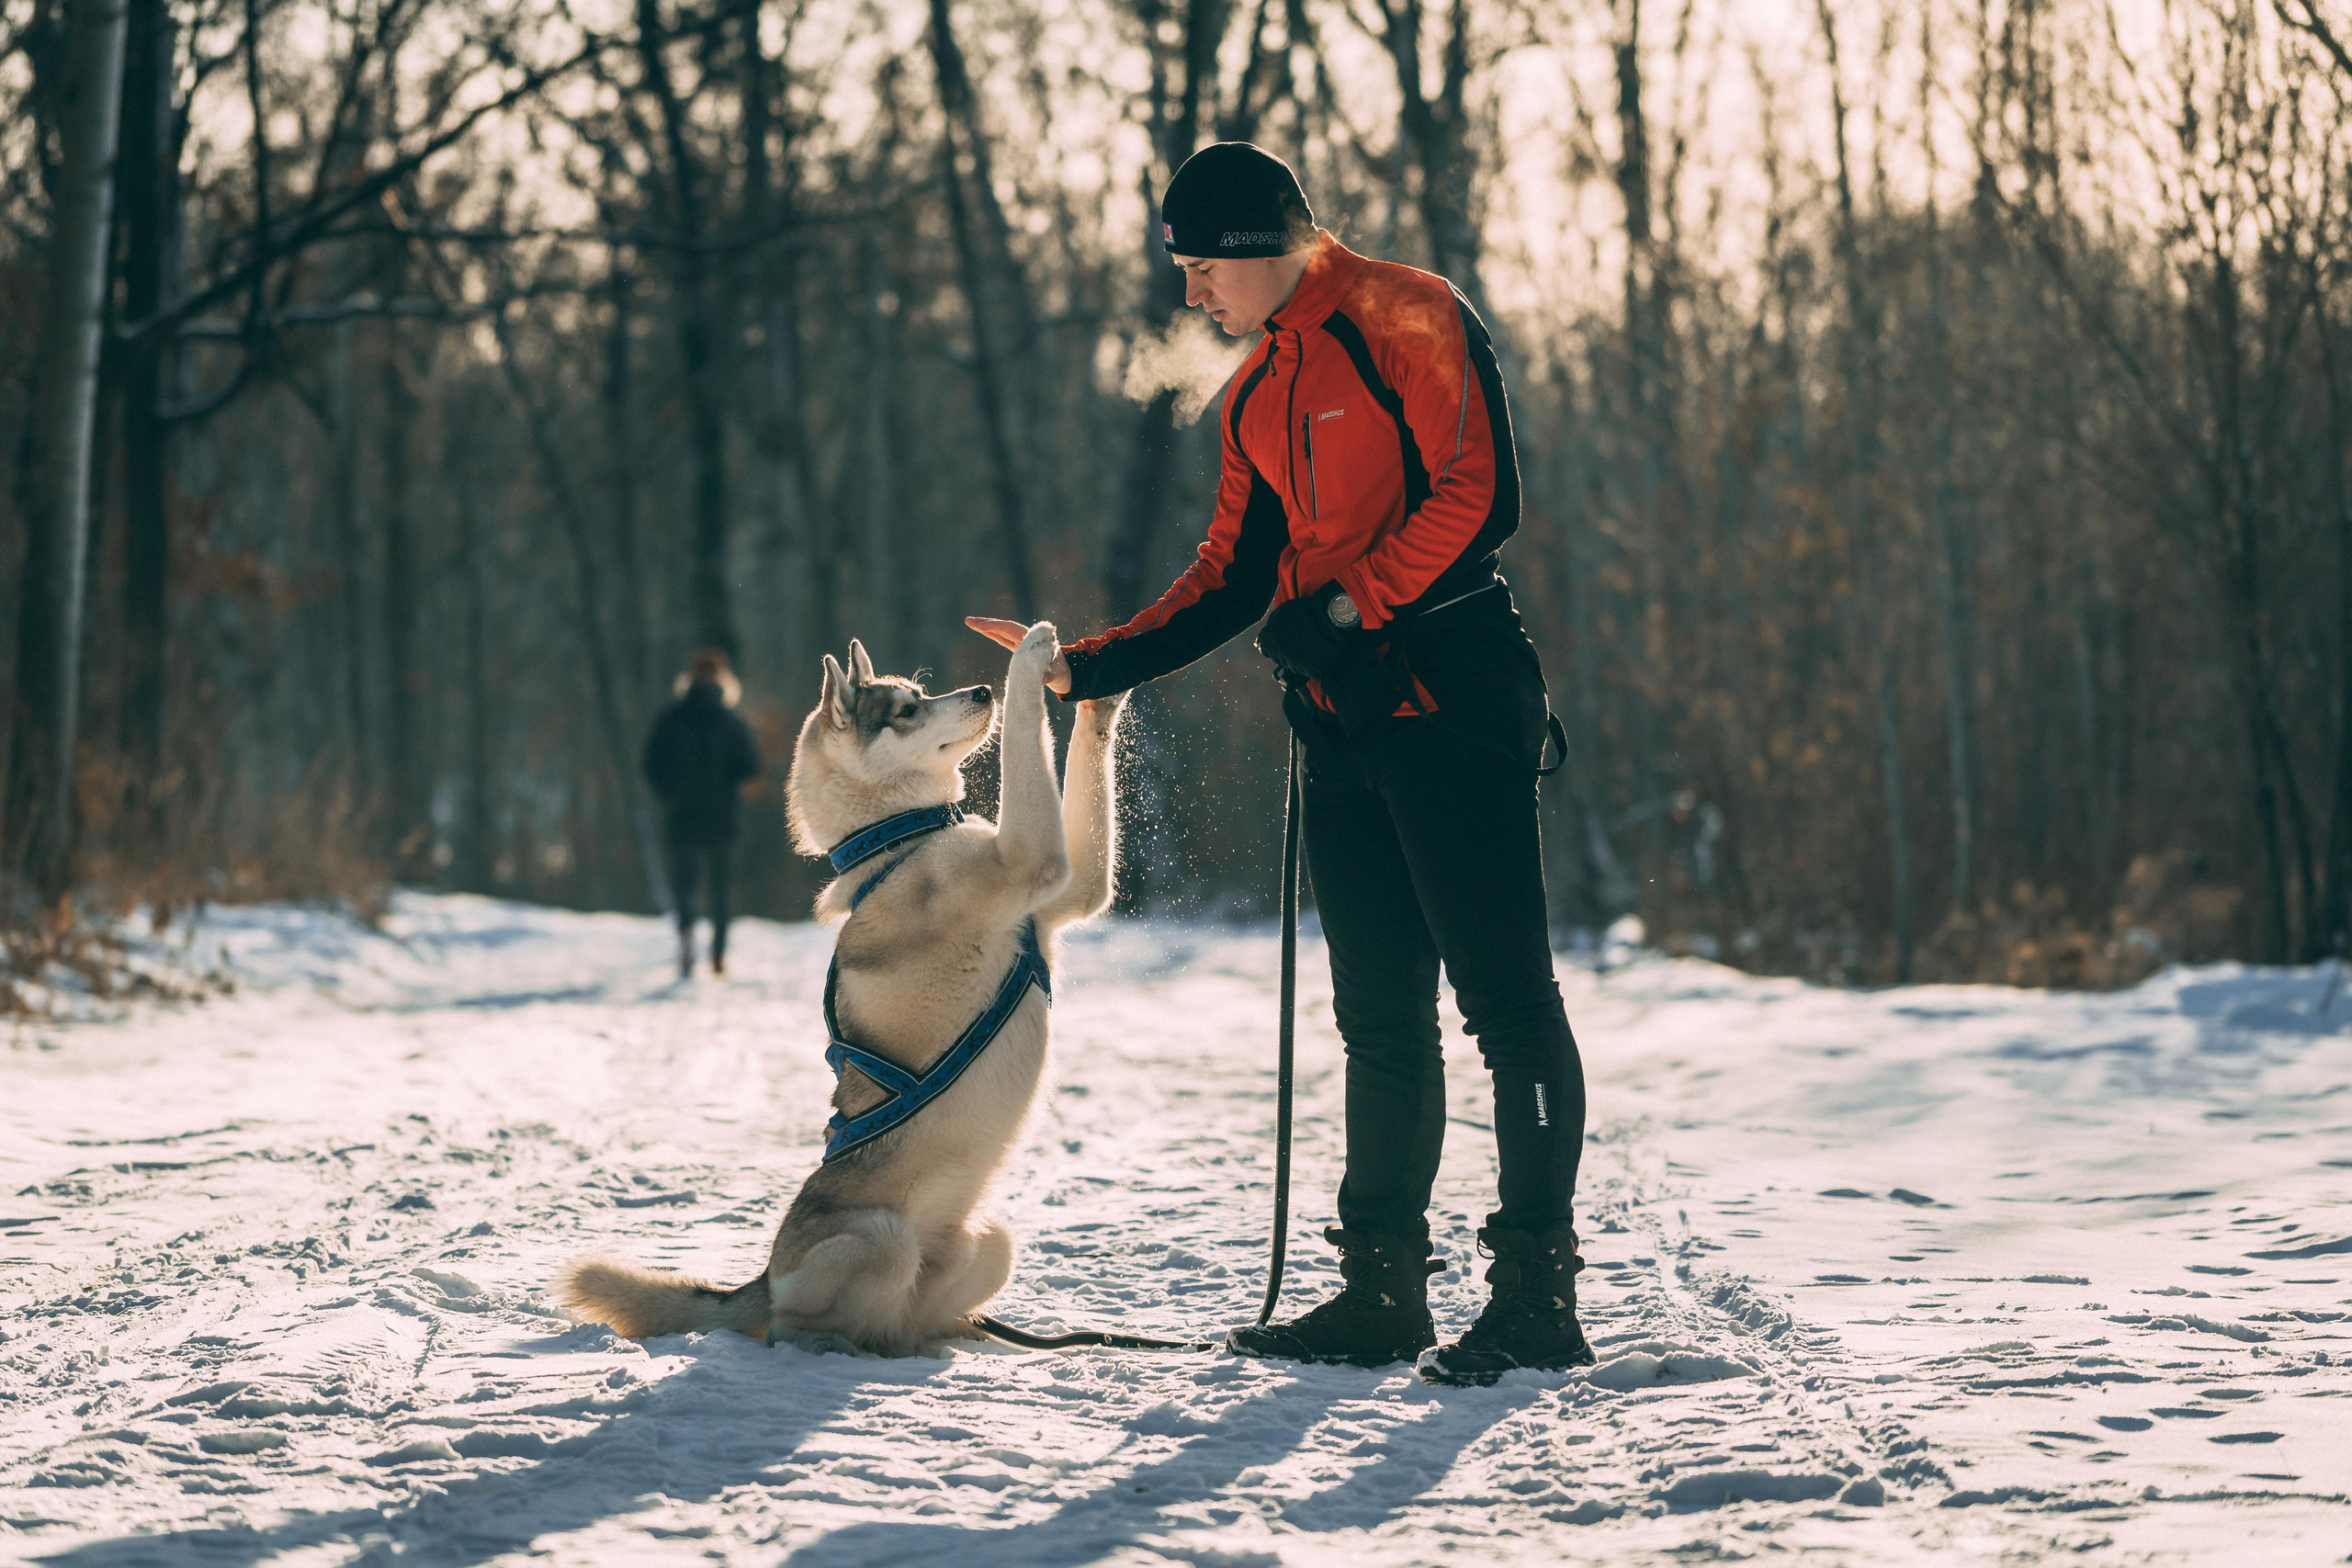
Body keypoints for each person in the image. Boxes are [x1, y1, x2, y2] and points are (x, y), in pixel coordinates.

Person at [967, 142, 1592, 1386]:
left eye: (1201, 268)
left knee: (1506, 1002)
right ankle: (1382, 1285)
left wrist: (1355, 607)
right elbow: (1232, 575)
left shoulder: (1405, 312)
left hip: (1453, 685)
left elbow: (1482, 493)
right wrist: (1085, 668)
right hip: (1346, 713)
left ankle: (1535, 1294)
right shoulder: (1259, 392)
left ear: (1258, 246)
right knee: (1377, 1012)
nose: (1193, 295)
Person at [643, 649, 762, 978]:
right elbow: (749, 767)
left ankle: (686, 939)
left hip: (680, 812)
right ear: (724, 681)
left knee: (685, 884)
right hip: (722, 814)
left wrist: (670, 792)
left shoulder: (669, 719)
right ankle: (719, 955)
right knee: (721, 888)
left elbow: (652, 766)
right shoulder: (732, 721)